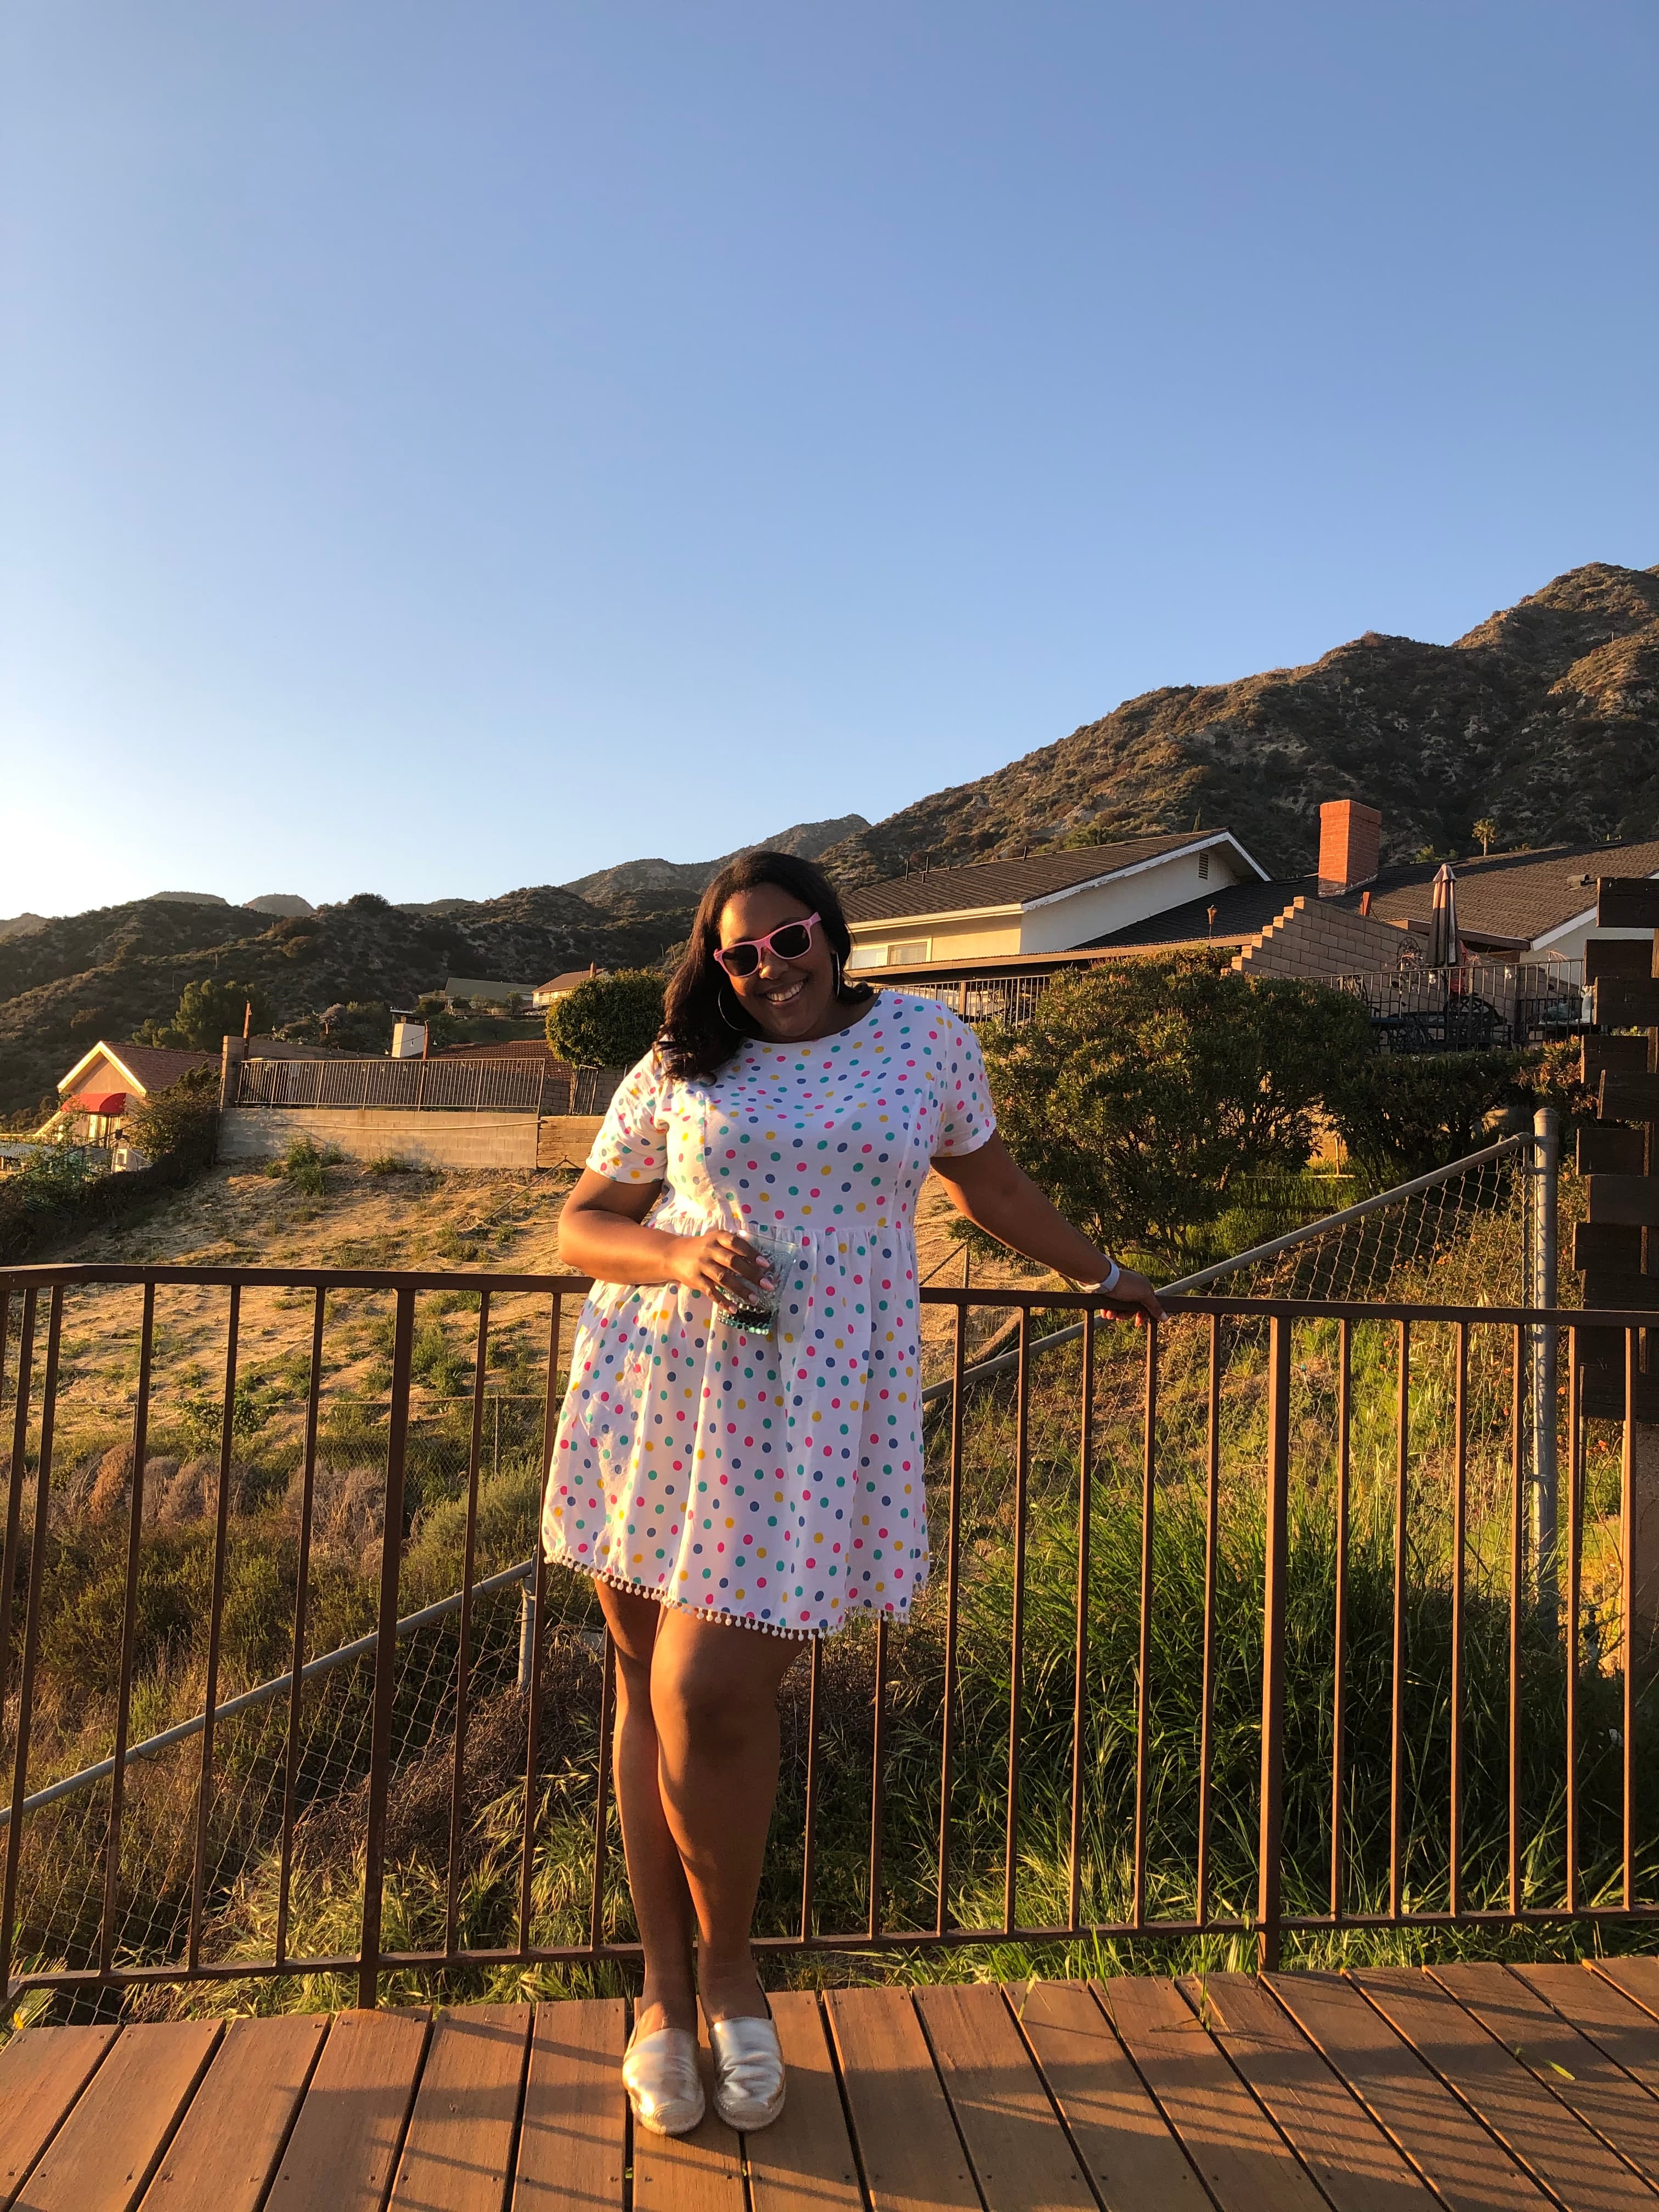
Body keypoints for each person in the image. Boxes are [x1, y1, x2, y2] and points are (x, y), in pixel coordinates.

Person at [547, 851, 1161, 2136]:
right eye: (737, 955)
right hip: (661, 1390)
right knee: (640, 1684)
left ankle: (729, 1970)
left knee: (706, 1695)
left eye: (786, 941)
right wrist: (675, 1249)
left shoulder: (928, 1043)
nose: (766, 967)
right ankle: (662, 1993)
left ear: (832, 933)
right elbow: (583, 1224)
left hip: (818, 1411)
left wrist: (1104, 1276)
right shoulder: (680, 1064)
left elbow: (989, 1190)